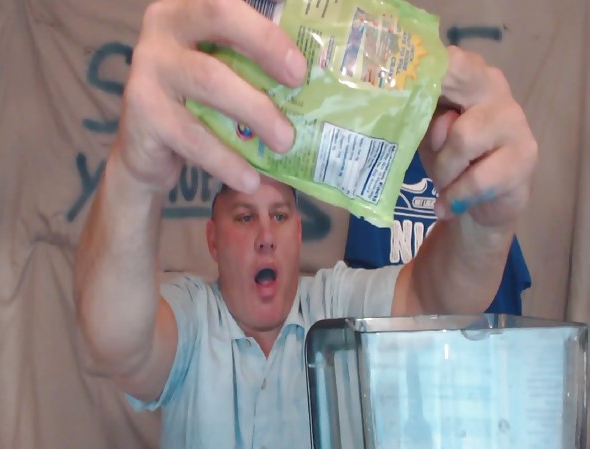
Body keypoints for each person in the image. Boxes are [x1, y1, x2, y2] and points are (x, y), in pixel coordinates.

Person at [73, 0, 538, 447]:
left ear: (298, 231)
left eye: (279, 216)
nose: (265, 236)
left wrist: (485, 224)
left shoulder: (334, 303)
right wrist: (133, 174)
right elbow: (119, 341)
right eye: (244, 217)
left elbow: (431, 300)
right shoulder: (192, 315)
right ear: (212, 240)